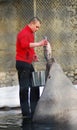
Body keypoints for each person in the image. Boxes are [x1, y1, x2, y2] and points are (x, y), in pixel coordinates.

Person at [15, 17, 48, 120]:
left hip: (28, 63)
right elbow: (24, 45)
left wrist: (33, 55)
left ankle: (35, 109)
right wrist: (39, 44)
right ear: (32, 24)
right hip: (22, 63)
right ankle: (26, 114)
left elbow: (29, 48)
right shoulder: (24, 33)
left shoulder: (30, 34)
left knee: (34, 85)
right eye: (37, 26)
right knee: (24, 88)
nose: (37, 29)